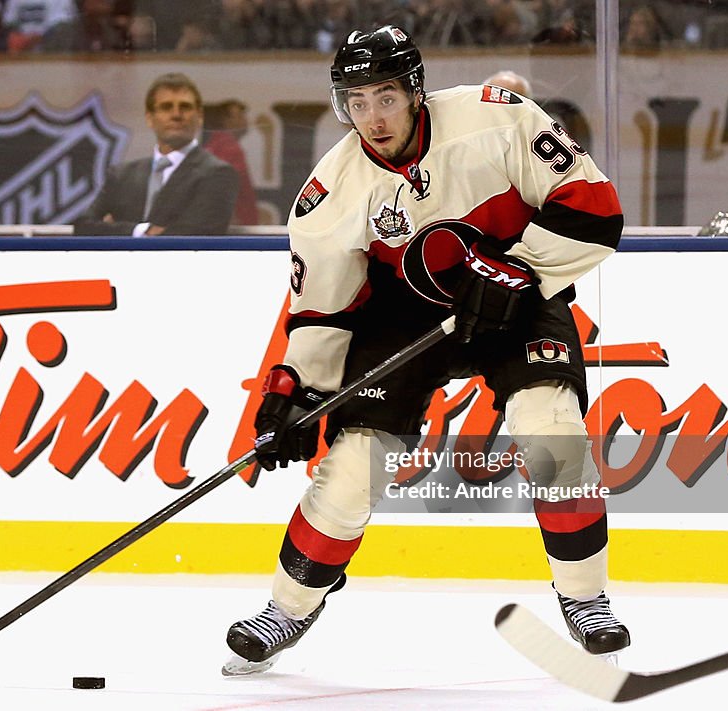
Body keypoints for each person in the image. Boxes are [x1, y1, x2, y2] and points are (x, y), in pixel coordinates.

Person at [223, 25, 629, 675]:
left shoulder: (497, 119)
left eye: (385, 97)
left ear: (415, 91)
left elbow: (596, 208)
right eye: (355, 102)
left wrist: (522, 272)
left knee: (551, 426)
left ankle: (586, 597)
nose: (372, 118)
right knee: (353, 462)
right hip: (402, 317)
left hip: (516, 288)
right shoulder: (332, 191)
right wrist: (295, 390)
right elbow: (323, 309)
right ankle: (291, 604)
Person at [74, 73, 239, 237]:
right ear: (149, 118)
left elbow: (196, 234)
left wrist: (113, 229)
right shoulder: (122, 175)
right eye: (166, 107)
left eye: (185, 107)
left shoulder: (218, 173)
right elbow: (84, 227)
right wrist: (139, 231)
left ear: (200, 116)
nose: (176, 115)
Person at [203, 99, 258, 225]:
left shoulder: (213, 145)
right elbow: (221, 187)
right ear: (225, 120)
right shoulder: (229, 148)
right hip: (236, 228)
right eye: (240, 116)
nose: (246, 121)